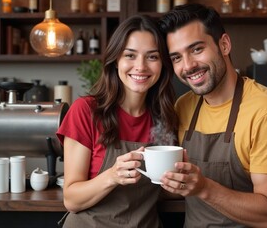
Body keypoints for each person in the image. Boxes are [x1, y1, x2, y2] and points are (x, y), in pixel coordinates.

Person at [158, 3, 267, 228]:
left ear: (224, 45)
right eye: (176, 57)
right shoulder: (183, 106)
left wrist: (204, 188)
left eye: (196, 49)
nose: (188, 66)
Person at [56, 14, 178, 227]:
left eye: (152, 57)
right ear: (116, 61)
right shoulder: (86, 111)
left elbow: (162, 191)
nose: (140, 67)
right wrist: (112, 176)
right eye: (130, 55)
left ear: (163, 64)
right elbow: (71, 199)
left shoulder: (166, 117)